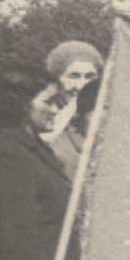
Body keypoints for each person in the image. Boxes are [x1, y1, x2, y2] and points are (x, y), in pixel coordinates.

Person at [0, 65, 69, 260]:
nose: (55, 110)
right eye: (48, 102)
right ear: (20, 105)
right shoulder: (10, 153)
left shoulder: (35, 149)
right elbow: (15, 231)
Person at [40, 40, 100, 178]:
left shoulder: (96, 110)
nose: (81, 85)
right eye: (74, 76)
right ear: (57, 78)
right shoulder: (44, 115)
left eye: (90, 77)